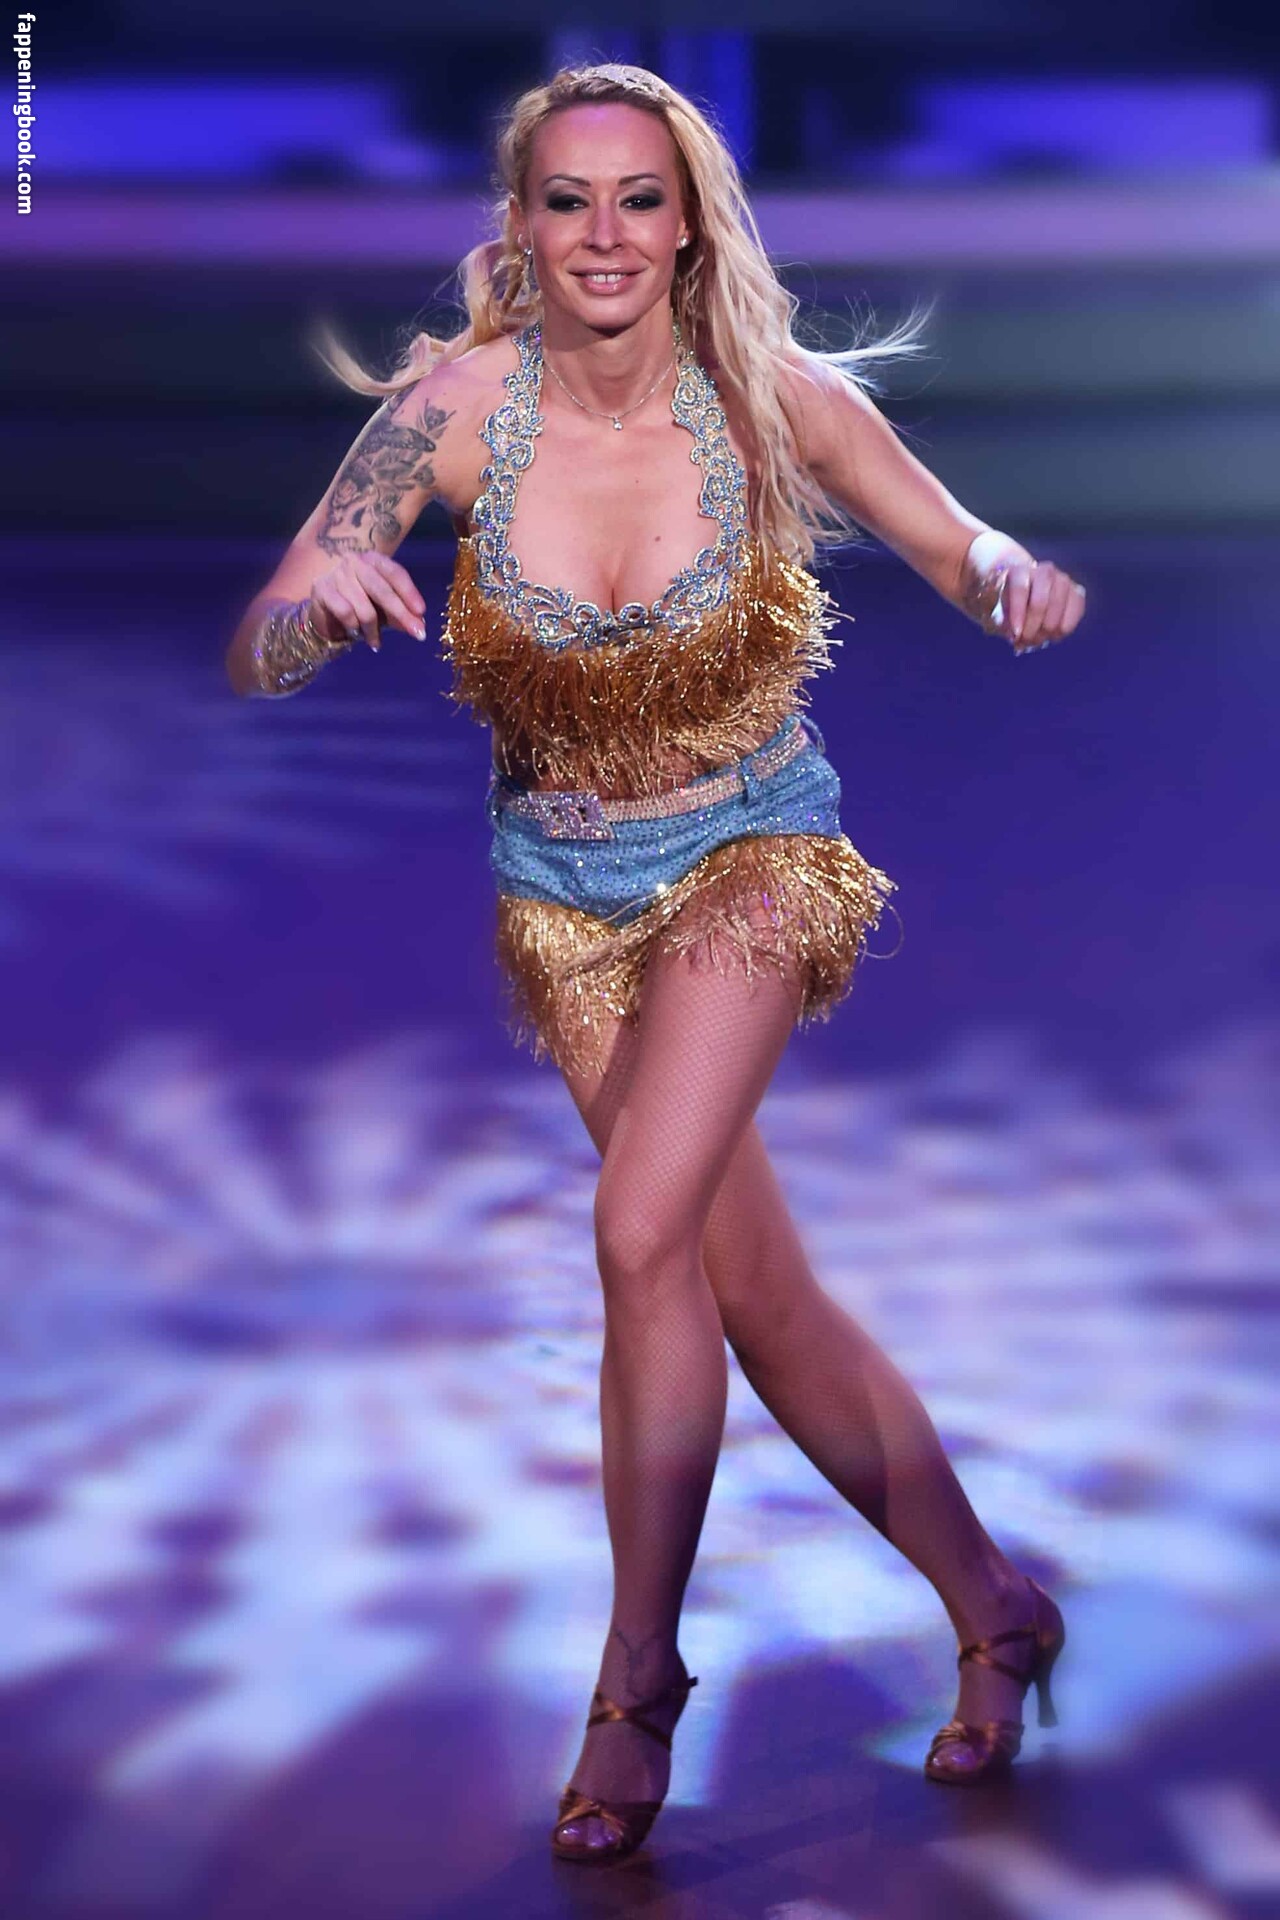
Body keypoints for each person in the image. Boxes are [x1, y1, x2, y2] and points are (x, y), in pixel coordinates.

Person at [225, 62, 1085, 1867]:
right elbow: (263, 635)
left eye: (638, 200)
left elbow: (958, 542)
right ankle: (996, 1602)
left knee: (635, 1236)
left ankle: (635, 1683)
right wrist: (314, 612)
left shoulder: (773, 402)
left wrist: (1014, 575)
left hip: (756, 853)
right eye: (569, 201)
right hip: (564, 900)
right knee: (749, 1287)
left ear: (688, 224)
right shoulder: (450, 416)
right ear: (520, 224)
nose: (603, 236)